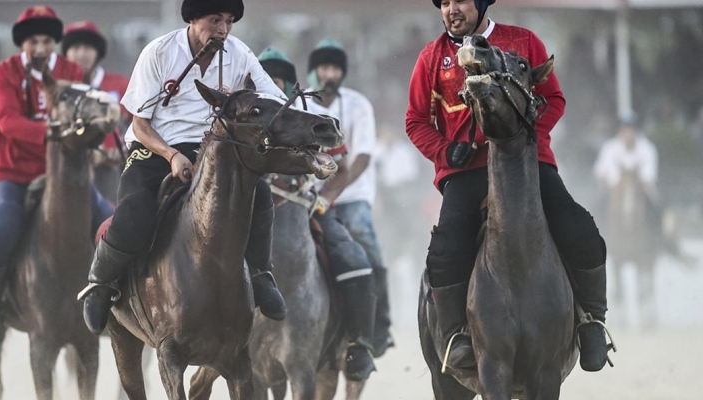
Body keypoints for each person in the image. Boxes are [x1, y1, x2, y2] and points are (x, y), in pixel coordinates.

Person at [406, 0, 610, 372]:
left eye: (461, 1)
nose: (452, 9)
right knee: (446, 246)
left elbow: (554, 99)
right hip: (466, 172)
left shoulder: (523, 41)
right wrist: (444, 150)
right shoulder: (430, 58)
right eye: (445, 3)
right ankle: (455, 338)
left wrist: (522, 136)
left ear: (481, 4)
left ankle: (592, 321)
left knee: (579, 227)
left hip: (527, 164)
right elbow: (416, 120)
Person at [78, 0, 287, 335]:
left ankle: (261, 275)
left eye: (230, 21)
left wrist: (264, 104)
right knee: (135, 213)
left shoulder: (240, 53)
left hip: (216, 148)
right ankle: (100, 281)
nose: (223, 29)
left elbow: (273, 98)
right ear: (192, 19)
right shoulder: (158, 52)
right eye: (215, 20)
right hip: (155, 146)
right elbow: (140, 124)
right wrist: (172, 155)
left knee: (260, 194)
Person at [0, 5, 114, 343]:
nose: (39, 49)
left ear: (55, 43)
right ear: (23, 43)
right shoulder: (2, 73)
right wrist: (53, 133)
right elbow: (7, 122)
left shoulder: (71, 71)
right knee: (4, 223)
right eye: (33, 42)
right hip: (14, 171)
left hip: (64, 172)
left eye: (47, 42)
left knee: (111, 220)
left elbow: (85, 117)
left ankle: (114, 297)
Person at [258, 45, 376, 380]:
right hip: (252, 208)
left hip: (303, 205)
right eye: (265, 77)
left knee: (354, 259)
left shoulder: (309, 113)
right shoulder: (247, 114)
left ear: (289, 82)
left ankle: (358, 343)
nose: (272, 84)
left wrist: (323, 200)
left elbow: (342, 168)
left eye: (278, 78)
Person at [305, 39, 394, 357]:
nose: (329, 74)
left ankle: (380, 326)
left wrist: (335, 191)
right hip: (309, 194)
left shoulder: (358, 104)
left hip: (352, 195)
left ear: (342, 74)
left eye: (335, 69)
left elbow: (363, 157)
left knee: (365, 242)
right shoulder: (301, 103)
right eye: (323, 68)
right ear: (314, 71)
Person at [62, 20, 132, 202]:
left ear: (98, 53)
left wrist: (123, 150)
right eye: (76, 47)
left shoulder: (121, 85)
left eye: (88, 48)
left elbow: (137, 126)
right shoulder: (59, 89)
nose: (81, 54)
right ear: (66, 53)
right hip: (67, 169)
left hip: (111, 171)